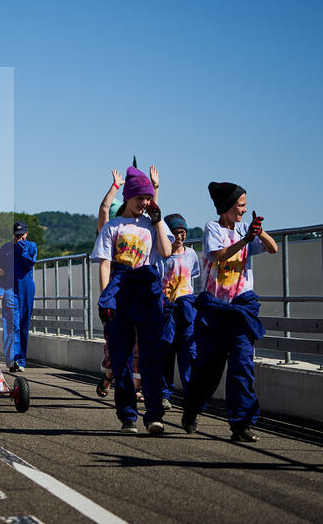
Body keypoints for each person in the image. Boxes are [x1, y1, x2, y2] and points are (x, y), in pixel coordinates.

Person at [182, 183, 277, 442]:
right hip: (215, 310)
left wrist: (259, 231)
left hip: (242, 308)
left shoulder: (246, 229)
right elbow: (220, 256)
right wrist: (245, 240)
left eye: (246, 205)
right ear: (227, 206)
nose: (244, 210)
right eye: (241, 205)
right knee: (208, 371)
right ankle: (191, 409)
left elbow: (273, 248)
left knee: (242, 367)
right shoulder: (212, 229)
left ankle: (241, 424)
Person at [92, 166, 172, 434]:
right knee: (122, 356)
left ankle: (154, 416)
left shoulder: (151, 224)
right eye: (140, 198)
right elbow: (104, 264)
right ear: (128, 197)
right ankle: (128, 415)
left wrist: (158, 219)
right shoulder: (113, 226)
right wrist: (106, 299)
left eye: (148, 199)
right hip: (121, 290)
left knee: (151, 356)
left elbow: (166, 251)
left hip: (148, 291)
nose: (144, 203)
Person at [158, 213, 200, 410]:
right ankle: (165, 394)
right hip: (167, 309)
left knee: (189, 352)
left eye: (182, 233)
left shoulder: (191, 254)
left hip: (187, 309)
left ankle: (191, 395)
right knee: (166, 352)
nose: (179, 237)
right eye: (175, 233)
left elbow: (194, 280)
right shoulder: (161, 256)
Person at [0, 222, 38, 372]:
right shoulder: (5, 248)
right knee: (11, 323)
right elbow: (0, 269)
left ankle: (21, 360)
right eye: (16, 235)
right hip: (10, 288)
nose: (19, 238)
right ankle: (12, 359)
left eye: (21, 235)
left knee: (23, 324)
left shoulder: (32, 246)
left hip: (26, 287)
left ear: (26, 234)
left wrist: (21, 247)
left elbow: (29, 263)